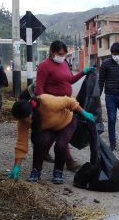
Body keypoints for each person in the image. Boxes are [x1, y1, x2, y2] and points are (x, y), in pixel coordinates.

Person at [9, 94, 95, 184]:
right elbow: (21, 144)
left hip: (67, 122)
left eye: (26, 119)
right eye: (22, 120)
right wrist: (16, 168)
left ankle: (58, 172)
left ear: (31, 112)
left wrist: (84, 113)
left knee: (60, 146)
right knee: (40, 143)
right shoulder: (23, 121)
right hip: (50, 126)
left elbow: (69, 101)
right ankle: (36, 171)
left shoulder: (46, 102)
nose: (25, 122)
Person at [35, 40, 95, 170]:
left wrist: (82, 73)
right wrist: (45, 105)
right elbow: (39, 90)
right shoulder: (44, 66)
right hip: (52, 106)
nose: (62, 57)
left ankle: (44, 152)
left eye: (64, 54)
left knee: (58, 133)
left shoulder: (64, 63)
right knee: (59, 133)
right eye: (60, 54)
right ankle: (69, 161)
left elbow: (70, 80)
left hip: (66, 105)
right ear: (52, 52)